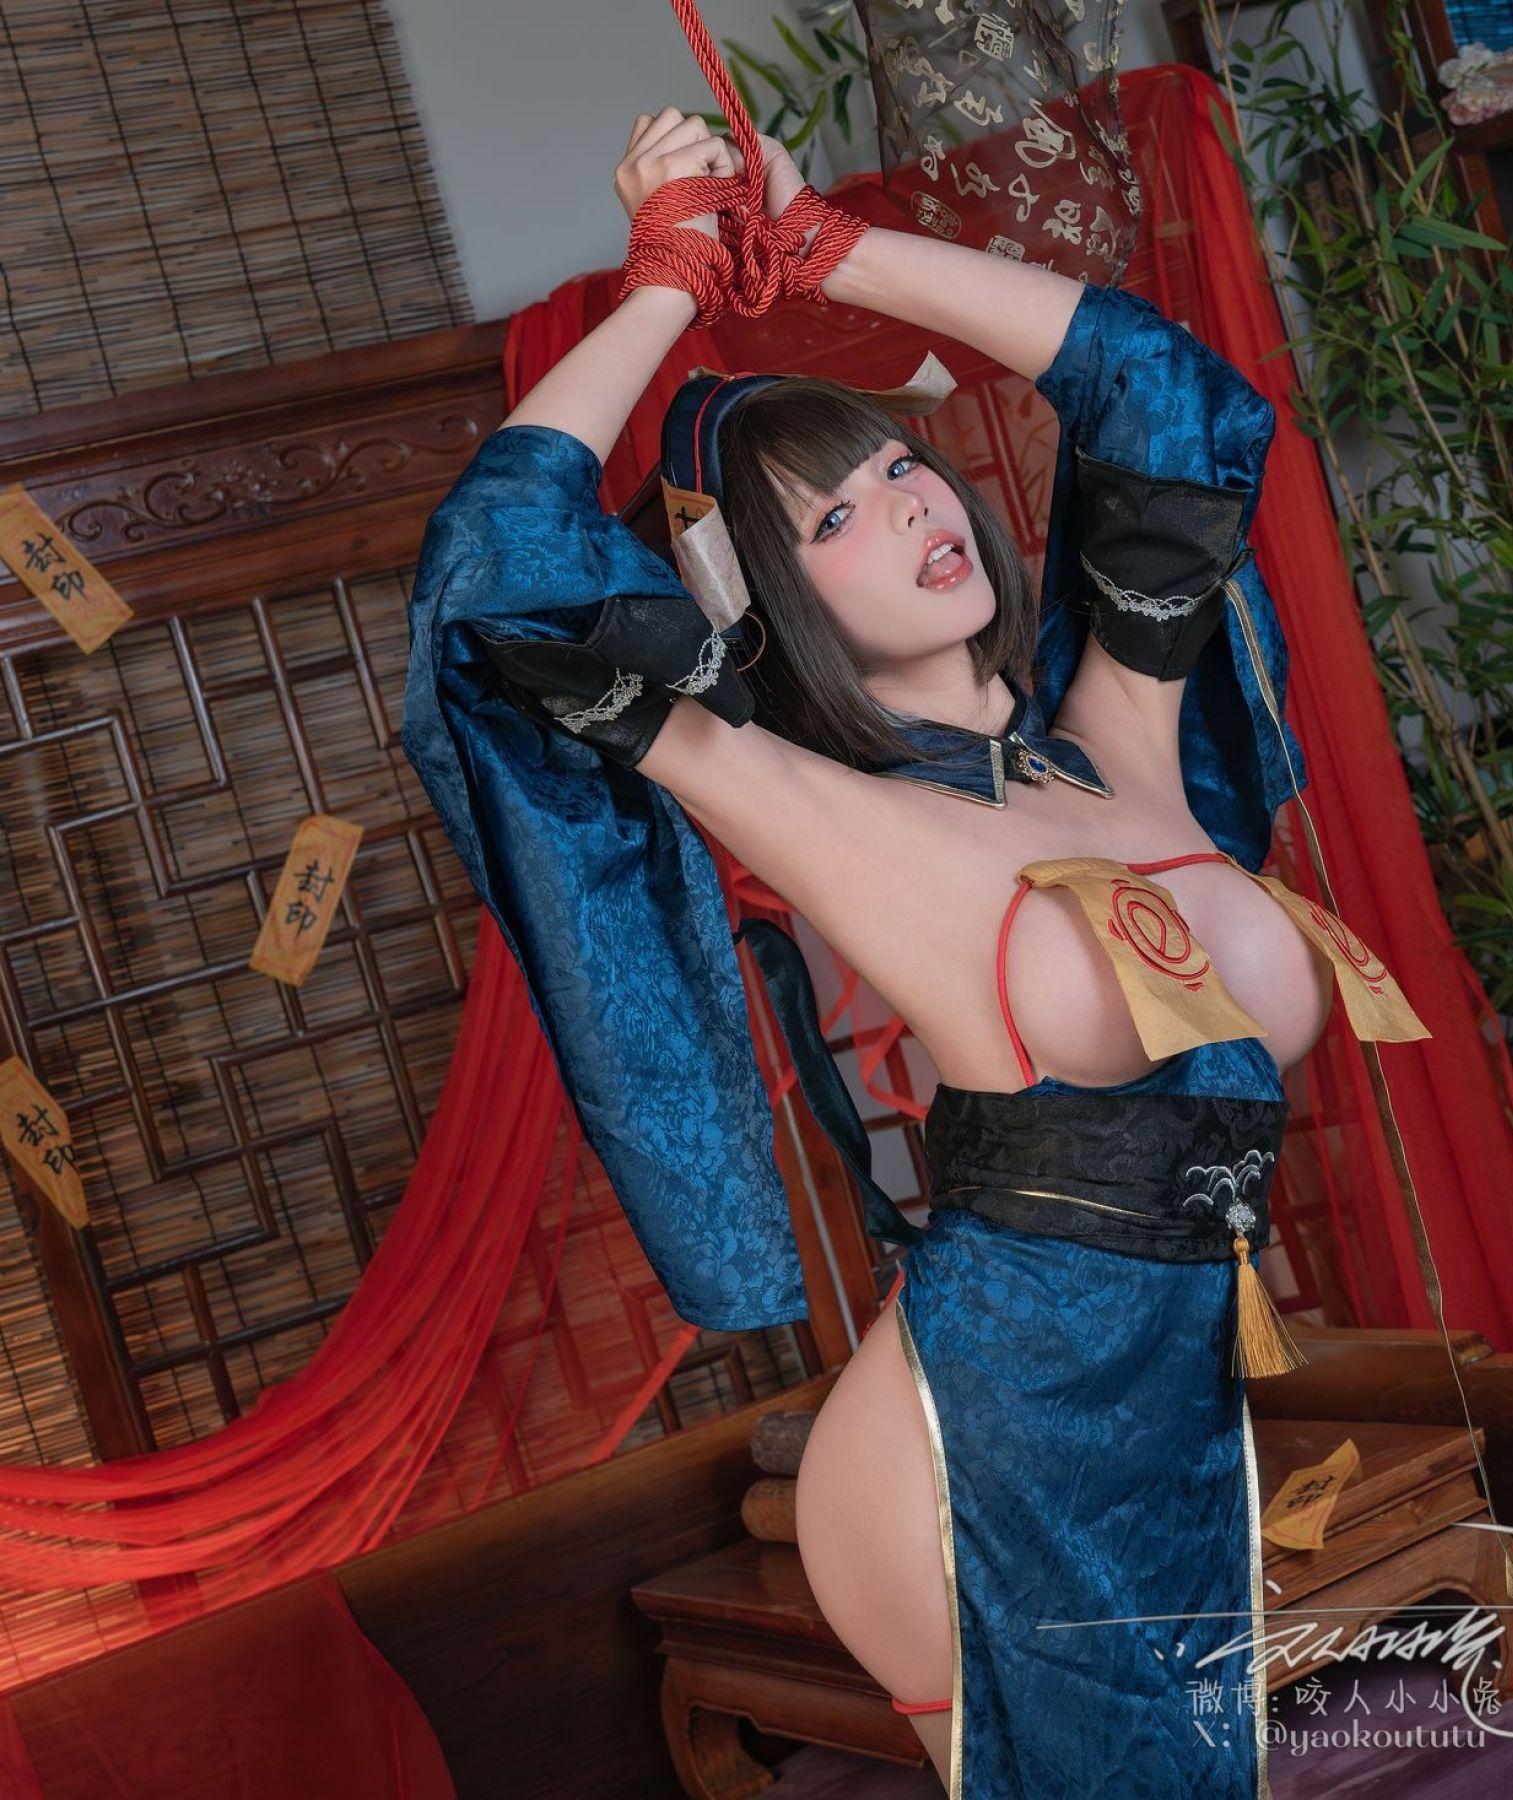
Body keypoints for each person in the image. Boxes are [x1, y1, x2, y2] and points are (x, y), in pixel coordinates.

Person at [402, 108, 1428, 1796]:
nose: (904, 505)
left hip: (1177, 1417)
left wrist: (830, 251)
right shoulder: (816, 807)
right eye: (832, 522)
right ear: (772, 607)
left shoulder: (1117, 738)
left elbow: (1169, 397)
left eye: (896, 466)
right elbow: (495, 572)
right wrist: (666, 278)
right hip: (976, 1441)